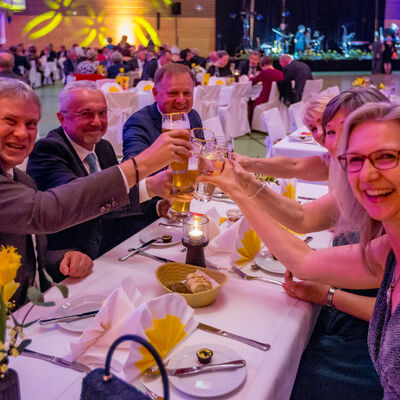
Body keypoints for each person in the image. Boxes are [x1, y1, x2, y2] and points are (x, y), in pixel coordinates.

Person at [200, 101, 400, 399]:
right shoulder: (389, 250)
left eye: (386, 157)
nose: (368, 174)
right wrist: (237, 190)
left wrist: (328, 296)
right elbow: (305, 261)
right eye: (355, 160)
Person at [0, 78, 192, 306]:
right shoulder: (49, 150)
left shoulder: (22, 178)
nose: (22, 133)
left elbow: (34, 249)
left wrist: (62, 257)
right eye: (10, 121)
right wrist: (141, 168)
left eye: (31, 124)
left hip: (88, 271)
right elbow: (56, 208)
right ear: (61, 118)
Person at [27, 81, 174, 263]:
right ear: (61, 118)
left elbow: (111, 206)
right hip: (72, 261)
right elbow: (82, 203)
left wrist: (157, 208)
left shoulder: (103, 147)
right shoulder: (48, 150)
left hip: (110, 252)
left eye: (102, 113)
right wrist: (149, 186)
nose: (97, 122)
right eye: (85, 114)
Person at [123, 63, 202, 160]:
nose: (181, 100)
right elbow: (132, 168)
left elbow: (201, 153)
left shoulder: (193, 115)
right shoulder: (138, 123)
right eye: (173, 93)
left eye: (187, 93)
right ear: (156, 94)